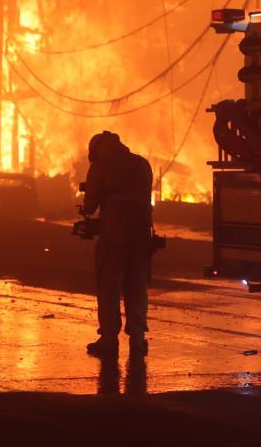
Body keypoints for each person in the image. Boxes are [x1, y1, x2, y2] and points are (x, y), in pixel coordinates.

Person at [81, 130, 154, 358]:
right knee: (137, 284)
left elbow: (90, 205)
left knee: (109, 285)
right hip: (141, 235)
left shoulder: (100, 166)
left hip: (114, 236)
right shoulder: (142, 164)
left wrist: (87, 208)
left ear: (96, 151)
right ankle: (138, 339)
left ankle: (109, 339)